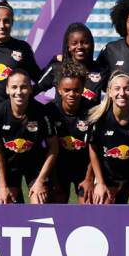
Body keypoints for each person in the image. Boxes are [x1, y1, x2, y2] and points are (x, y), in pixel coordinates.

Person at [0, 70, 58, 204]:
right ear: (7, 89)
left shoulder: (42, 113)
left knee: (39, 203)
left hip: (35, 166)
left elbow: (53, 148)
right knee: (6, 203)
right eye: (14, 87)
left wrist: (40, 181)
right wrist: (2, 185)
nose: (19, 92)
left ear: (30, 89)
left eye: (23, 87)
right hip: (10, 167)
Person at [89, 71, 129, 205]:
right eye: (117, 89)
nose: (122, 93)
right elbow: (93, 150)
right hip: (108, 175)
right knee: (101, 208)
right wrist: (100, 183)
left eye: (127, 89)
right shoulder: (98, 118)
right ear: (109, 92)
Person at [46, 61, 96, 204]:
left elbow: (95, 149)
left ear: (83, 89)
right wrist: (54, 180)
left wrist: (89, 179)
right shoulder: (50, 111)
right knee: (56, 213)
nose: (72, 94)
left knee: (88, 212)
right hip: (59, 169)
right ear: (59, 90)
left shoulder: (94, 111)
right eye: (67, 90)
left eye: (76, 90)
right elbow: (50, 150)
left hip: (84, 169)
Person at [37, 22, 107, 108]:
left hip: (90, 120)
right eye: (74, 43)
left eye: (84, 42)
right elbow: (31, 91)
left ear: (91, 44)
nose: (80, 46)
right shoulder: (57, 68)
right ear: (68, 47)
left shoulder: (101, 70)